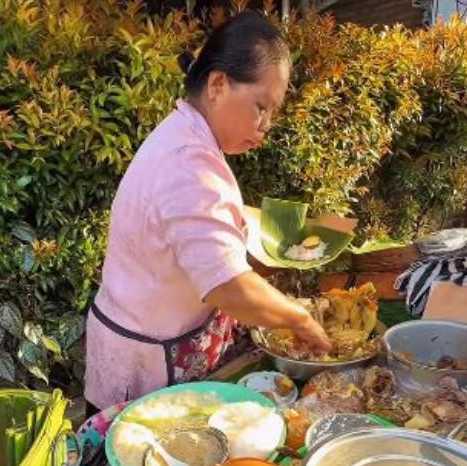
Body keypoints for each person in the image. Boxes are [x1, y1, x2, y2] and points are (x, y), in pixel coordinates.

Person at [84, 10, 332, 418]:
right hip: (146, 364)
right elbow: (229, 288)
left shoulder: (186, 137)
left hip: (146, 340)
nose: (266, 124)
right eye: (260, 107)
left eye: (272, 112)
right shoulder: (187, 163)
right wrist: (300, 319)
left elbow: (194, 227)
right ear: (218, 84)